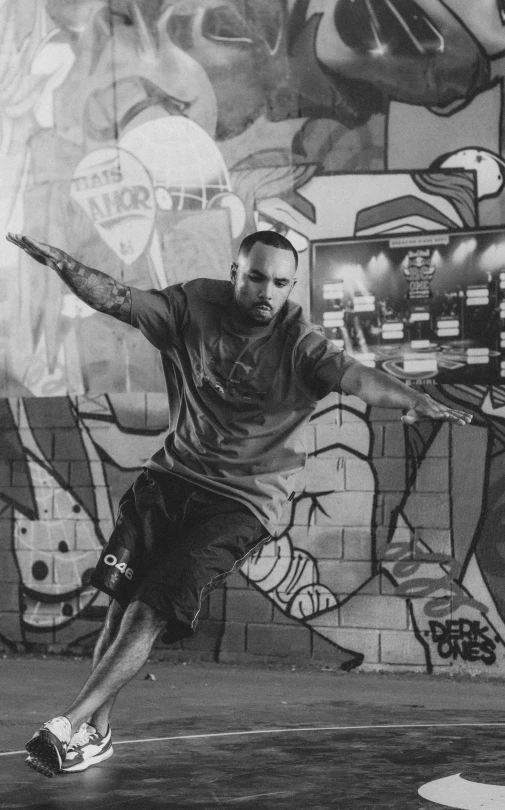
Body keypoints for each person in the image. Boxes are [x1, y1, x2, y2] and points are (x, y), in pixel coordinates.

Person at [6, 230, 472, 778]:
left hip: (244, 502)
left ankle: (68, 722)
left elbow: (358, 378)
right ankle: (96, 734)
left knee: (153, 606)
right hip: (171, 478)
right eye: (255, 277)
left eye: (279, 282)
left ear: (291, 286)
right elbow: (118, 298)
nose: (265, 292)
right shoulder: (190, 308)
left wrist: (414, 398)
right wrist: (65, 264)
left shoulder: (302, 344)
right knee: (123, 600)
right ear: (235, 273)